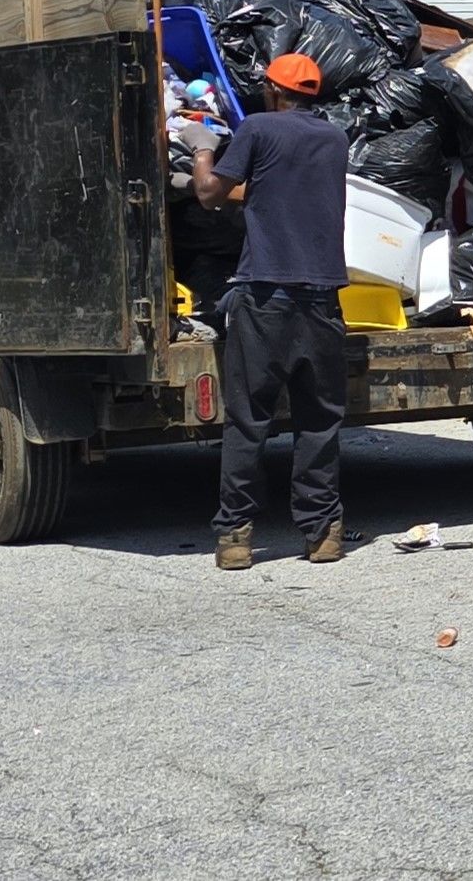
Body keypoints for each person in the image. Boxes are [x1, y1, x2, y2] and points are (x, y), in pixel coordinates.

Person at [176, 52, 351, 570]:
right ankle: (323, 536)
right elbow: (282, 189)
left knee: (249, 420)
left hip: (264, 297)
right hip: (322, 300)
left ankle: (235, 538)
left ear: (273, 91)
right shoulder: (334, 138)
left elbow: (209, 196)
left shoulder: (256, 128)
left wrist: (202, 151)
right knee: (318, 422)